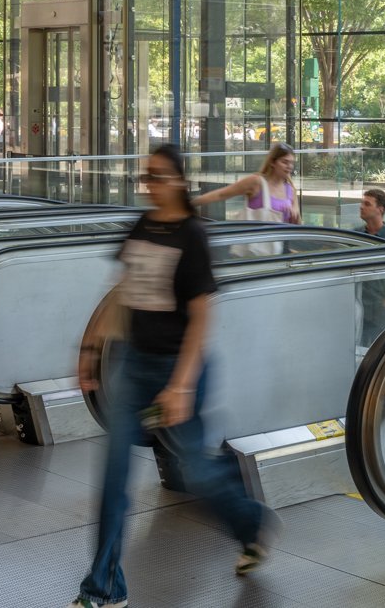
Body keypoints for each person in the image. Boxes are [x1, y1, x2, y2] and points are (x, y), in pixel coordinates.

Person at [73, 144, 273, 606]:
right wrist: (89, 346)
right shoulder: (143, 225)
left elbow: (201, 317)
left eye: (160, 176)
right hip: (133, 364)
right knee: (114, 477)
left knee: (197, 472)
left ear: (180, 181)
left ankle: (250, 524)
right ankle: (103, 588)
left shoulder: (192, 236)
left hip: (179, 369)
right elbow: (122, 291)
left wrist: (180, 385)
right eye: (147, 176)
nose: (151, 185)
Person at [196, 142, 299, 224]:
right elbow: (221, 194)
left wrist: (295, 215)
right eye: (285, 162)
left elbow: (298, 224)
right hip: (254, 246)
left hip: (281, 245)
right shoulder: (256, 182)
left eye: (291, 163)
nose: (289, 166)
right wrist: (188, 205)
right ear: (272, 162)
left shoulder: (290, 190)